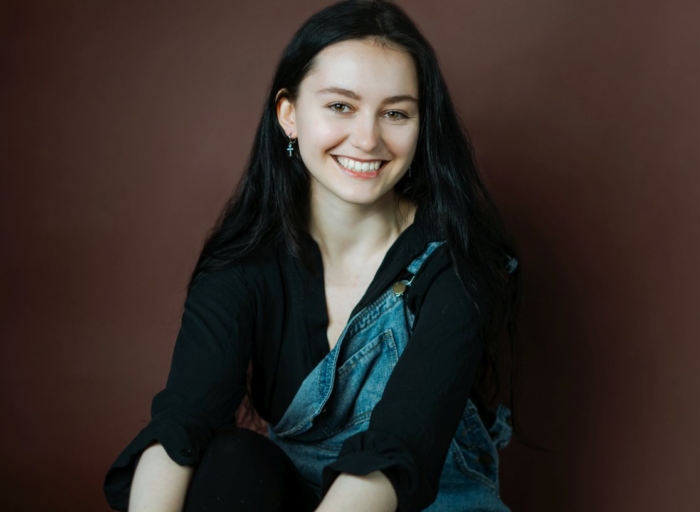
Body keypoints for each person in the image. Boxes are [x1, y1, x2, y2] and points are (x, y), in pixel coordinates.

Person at [104, 0, 520, 510]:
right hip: (293, 496)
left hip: (412, 501)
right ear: (289, 114)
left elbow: (394, 455)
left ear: (421, 125)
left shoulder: (457, 263)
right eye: (341, 106)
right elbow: (180, 426)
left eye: (395, 113)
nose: (367, 139)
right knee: (232, 461)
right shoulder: (245, 261)